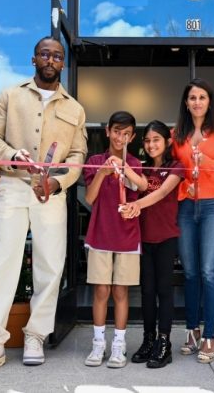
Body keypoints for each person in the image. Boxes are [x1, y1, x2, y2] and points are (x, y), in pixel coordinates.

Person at [0, 36, 87, 373]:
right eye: (45, 54)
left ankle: (35, 335)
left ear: (63, 63)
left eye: (57, 56)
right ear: (34, 58)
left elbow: (78, 155)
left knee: (50, 266)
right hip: (12, 186)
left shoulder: (74, 108)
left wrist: (60, 181)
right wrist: (12, 155)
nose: (51, 59)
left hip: (51, 193)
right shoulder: (10, 94)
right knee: (1, 263)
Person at [172, 78, 214, 364]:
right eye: (192, 98)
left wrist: (205, 163)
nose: (197, 102)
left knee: (210, 271)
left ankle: (210, 334)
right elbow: (173, 172)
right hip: (186, 206)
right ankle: (192, 329)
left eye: (202, 97)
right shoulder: (177, 135)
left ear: (209, 102)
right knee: (190, 272)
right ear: (186, 103)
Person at [81, 110, 147, 368]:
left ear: (132, 136)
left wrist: (125, 168)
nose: (121, 137)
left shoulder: (135, 162)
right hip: (99, 235)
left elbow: (141, 186)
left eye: (127, 133)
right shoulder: (95, 159)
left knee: (121, 291)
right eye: (117, 131)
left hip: (128, 236)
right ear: (107, 131)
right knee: (101, 290)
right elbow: (89, 197)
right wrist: (103, 172)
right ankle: (98, 344)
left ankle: (118, 346)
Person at [120, 120, 183, 369]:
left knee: (164, 290)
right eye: (147, 140)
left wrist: (137, 205)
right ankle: (148, 340)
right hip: (143, 238)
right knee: (146, 291)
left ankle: (164, 343)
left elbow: (160, 193)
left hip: (167, 237)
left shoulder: (176, 167)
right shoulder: (142, 168)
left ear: (167, 142)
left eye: (156, 139)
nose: (151, 144)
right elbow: (127, 189)